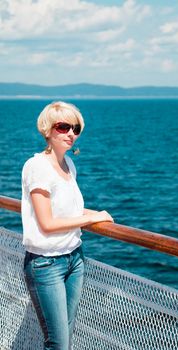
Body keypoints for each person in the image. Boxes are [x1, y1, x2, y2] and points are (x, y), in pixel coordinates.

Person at [21, 101, 113, 350]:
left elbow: (68, 209)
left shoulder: (69, 165)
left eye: (75, 128)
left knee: (66, 335)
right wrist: (91, 219)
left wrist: (97, 214)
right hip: (46, 263)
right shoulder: (37, 167)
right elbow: (47, 223)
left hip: (74, 258)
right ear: (48, 130)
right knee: (58, 343)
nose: (71, 133)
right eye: (63, 127)